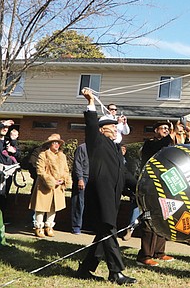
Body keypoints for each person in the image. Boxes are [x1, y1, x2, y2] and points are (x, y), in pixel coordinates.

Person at [77, 88, 137, 284]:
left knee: (103, 234)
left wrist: (140, 186)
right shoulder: (96, 141)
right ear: (103, 129)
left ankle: (85, 269)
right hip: (100, 196)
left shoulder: (115, 148)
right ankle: (116, 272)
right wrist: (91, 102)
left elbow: (124, 174)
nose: (115, 128)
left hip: (113, 197)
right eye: (112, 126)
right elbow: (91, 124)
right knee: (109, 231)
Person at [137, 121, 175, 267]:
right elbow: (159, 147)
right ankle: (144, 255)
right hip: (150, 186)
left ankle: (159, 252)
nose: (166, 130)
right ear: (155, 130)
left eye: (167, 128)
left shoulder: (167, 145)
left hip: (164, 186)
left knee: (164, 218)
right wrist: (172, 133)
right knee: (149, 221)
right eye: (163, 128)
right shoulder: (150, 144)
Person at [29, 134, 71, 238]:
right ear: (49, 144)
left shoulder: (62, 156)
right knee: (41, 207)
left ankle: (49, 226)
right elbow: (40, 170)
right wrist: (51, 180)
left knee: (54, 207)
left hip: (58, 187)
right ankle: (38, 227)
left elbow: (66, 170)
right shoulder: (43, 155)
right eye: (54, 143)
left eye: (58, 143)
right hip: (44, 186)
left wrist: (63, 179)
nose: (56, 145)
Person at [71, 143, 89, 234]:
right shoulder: (82, 148)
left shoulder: (99, 146)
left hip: (93, 178)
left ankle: (87, 226)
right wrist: (80, 178)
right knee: (79, 202)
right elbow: (77, 164)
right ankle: (76, 226)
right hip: (83, 177)